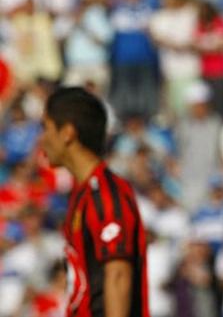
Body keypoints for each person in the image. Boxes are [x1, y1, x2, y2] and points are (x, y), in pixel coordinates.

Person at [39, 87, 149, 317]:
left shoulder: (107, 195)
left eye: (45, 128)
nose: (41, 139)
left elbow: (118, 276)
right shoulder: (82, 194)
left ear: (67, 132)